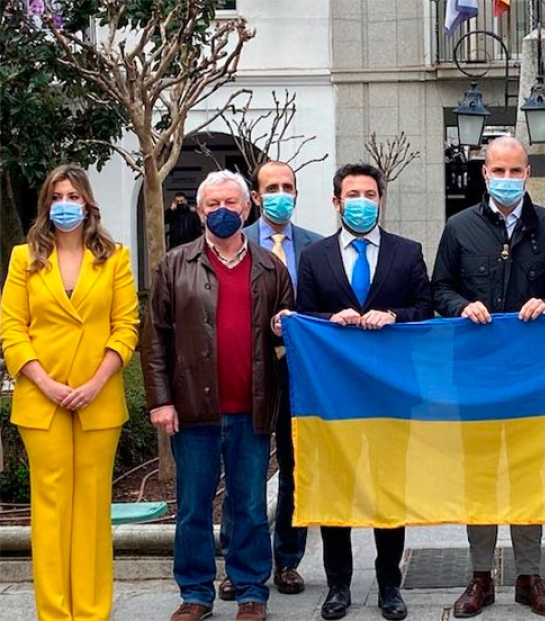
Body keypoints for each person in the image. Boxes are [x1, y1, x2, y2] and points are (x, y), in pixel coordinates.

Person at [432, 136, 545, 619]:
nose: (508, 179)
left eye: (516, 171)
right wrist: (461, 305)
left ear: (527, 175)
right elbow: (440, 288)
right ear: (484, 173)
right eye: (499, 170)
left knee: (526, 474)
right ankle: (480, 576)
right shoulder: (458, 228)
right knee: (478, 474)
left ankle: (529, 575)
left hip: (532, 377)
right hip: (474, 375)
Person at [142, 170, 294, 621]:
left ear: (248, 207)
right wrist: (160, 400)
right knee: (192, 506)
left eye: (231, 203)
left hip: (251, 408)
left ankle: (251, 590)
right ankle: (195, 593)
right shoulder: (174, 264)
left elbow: (286, 336)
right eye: (213, 205)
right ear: (199, 208)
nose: (223, 212)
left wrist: (282, 326)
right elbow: (154, 340)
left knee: (248, 505)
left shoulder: (271, 266)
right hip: (192, 410)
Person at [286, 162, 432, 621]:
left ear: (380, 199)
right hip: (336, 397)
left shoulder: (407, 252)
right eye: (353, 195)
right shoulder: (315, 258)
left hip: (392, 397)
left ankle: (390, 583)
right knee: (338, 489)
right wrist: (333, 322)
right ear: (336, 202)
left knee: (389, 489)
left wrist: (394, 315)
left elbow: (425, 310)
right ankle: (338, 585)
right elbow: (306, 318)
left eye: (370, 194)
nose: (362, 202)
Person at [0, 164, 140, 621]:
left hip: (98, 398)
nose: (66, 204)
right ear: (46, 204)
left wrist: (96, 381)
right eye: (57, 196)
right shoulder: (24, 258)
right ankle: (55, 613)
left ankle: (93, 611)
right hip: (42, 400)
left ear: (88, 204)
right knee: (51, 509)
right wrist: (45, 382)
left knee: (93, 509)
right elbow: (12, 329)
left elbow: (126, 328)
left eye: (74, 196)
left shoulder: (115, 257)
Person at [218, 160, 323, 602]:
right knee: (244, 471)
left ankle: (287, 561)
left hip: (300, 374)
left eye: (289, 187)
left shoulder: (316, 249)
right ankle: (238, 564)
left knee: (295, 470)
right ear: (256, 198)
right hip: (250, 374)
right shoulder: (233, 246)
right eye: (272, 188)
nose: (281, 194)